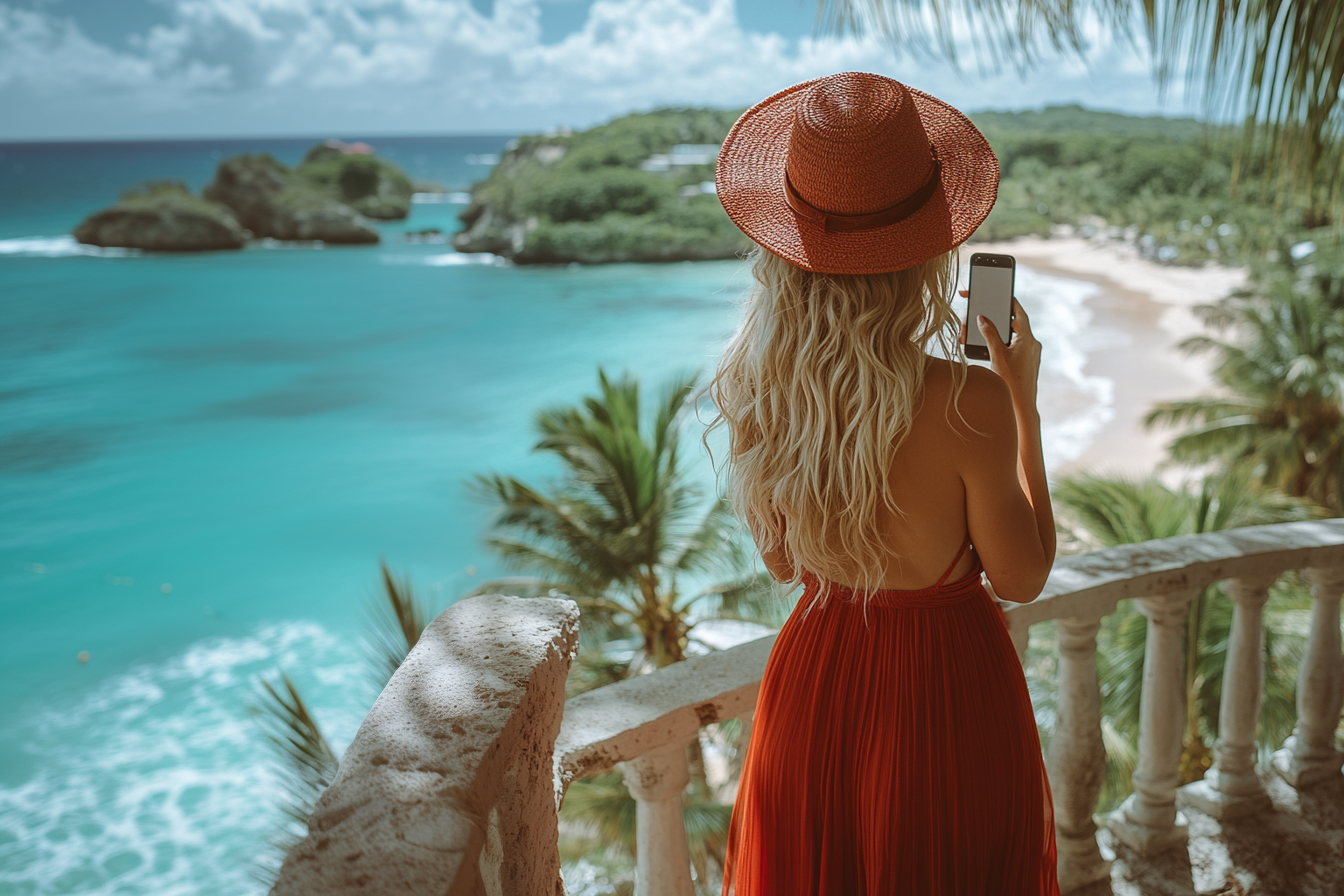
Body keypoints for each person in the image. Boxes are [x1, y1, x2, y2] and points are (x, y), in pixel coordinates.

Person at [708, 72, 1060, 895]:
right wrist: (1025, 409)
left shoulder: (760, 389)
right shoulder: (972, 400)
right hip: (946, 686)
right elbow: (1024, 577)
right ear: (930, 250)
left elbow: (785, 566)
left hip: (819, 675)